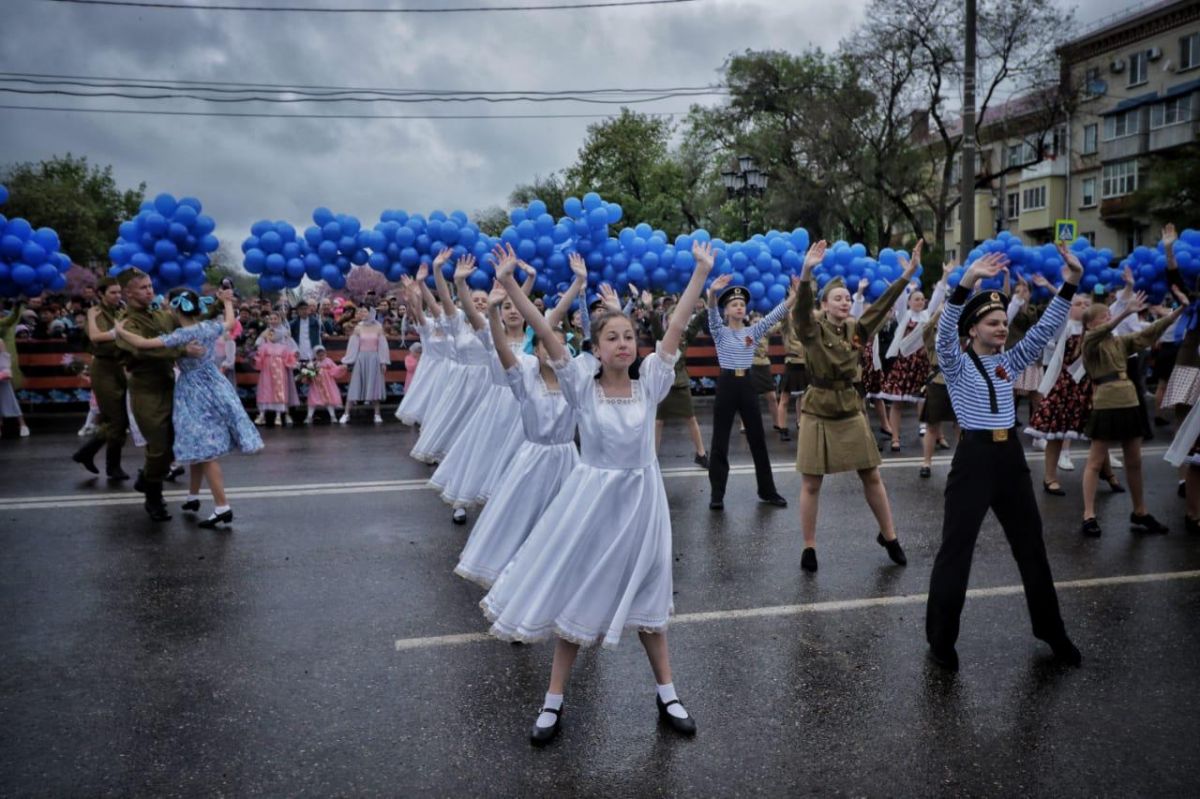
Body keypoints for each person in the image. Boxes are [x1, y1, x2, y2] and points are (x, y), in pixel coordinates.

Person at [481, 241, 713, 745]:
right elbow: (543, 331)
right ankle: (553, 701)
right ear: (597, 348)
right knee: (578, 598)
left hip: (643, 505)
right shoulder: (580, 387)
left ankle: (668, 691)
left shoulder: (650, 383)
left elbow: (674, 327)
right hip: (591, 506)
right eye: (612, 337)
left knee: (650, 598)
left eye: (629, 336)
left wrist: (700, 273)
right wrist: (512, 287)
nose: (624, 343)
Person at [925, 250, 1082, 672]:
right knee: (957, 549)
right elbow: (943, 334)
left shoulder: (1008, 362)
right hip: (974, 457)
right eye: (992, 323)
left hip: (1009, 457)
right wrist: (965, 283)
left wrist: (1070, 284)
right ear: (973, 328)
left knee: (1031, 546)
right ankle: (941, 640)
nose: (1001, 328)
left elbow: (1045, 329)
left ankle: (1052, 631)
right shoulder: (957, 364)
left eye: (1003, 323)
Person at [790, 240, 920, 573]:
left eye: (848, 298)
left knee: (872, 475)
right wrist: (806, 273)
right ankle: (808, 547)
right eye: (838, 298)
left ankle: (889, 536)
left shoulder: (856, 329)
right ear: (824, 304)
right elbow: (801, 310)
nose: (845, 302)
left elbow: (882, 305)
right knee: (811, 483)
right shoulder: (811, 330)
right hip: (818, 407)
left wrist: (906, 275)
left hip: (849, 405)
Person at [454, 276, 580, 587]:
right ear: (534, 351)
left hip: (568, 462)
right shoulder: (525, 381)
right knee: (523, 520)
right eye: (547, 347)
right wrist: (494, 309)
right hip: (533, 460)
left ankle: (558, 579)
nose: (554, 352)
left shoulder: (576, 386)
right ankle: (515, 578)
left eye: (562, 348)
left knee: (565, 524)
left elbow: (556, 322)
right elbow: (499, 345)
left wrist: (577, 284)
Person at [115, 287, 263, 527]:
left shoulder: (182, 335)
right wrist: (226, 301)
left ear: (176, 307)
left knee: (205, 450)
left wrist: (120, 330)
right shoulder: (207, 327)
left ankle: (222, 506)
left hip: (193, 390)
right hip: (215, 384)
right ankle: (193, 496)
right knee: (199, 444)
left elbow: (143, 343)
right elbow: (229, 321)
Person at [1078, 286, 1187, 537]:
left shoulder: (1118, 341)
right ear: (1092, 323)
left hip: (1129, 402)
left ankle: (1140, 511)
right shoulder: (1089, 342)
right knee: (1095, 461)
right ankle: (1088, 515)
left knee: (1135, 461)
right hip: (1106, 402)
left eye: (1108, 315)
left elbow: (1150, 333)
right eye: (1103, 316)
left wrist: (1179, 310)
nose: (1108, 319)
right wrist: (1124, 312)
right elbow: (1099, 333)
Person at [113, 268, 208, 520]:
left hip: (170, 385)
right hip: (146, 389)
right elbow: (142, 351)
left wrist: (221, 302)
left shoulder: (160, 315)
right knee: (158, 446)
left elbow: (187, 320)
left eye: (150, 286)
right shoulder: (126, 323)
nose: (150, 291)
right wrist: (180, 352)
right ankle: (153, 497)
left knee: (176, 444)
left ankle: (147, 477)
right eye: (143, 287)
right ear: (128, 292)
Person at [704, 273, 793, 511]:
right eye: (734, 304)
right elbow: (711, 314)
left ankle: (768, 490)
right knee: (719, 441)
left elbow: (776, 314)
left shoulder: (752, 332)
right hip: (726, 384)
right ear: (726, 311)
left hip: (747, 384)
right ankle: (717, 494)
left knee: (758, 439)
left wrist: (793, 297)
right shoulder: (719, 331)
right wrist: (712, 293)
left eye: (742, 304)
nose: (739, 307)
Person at [642, 289, 709, 467]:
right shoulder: (662, 336)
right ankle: (653, 457)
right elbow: (655, 325)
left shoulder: (686, 336)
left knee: (691, 418)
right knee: (658, 421)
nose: (678, 320)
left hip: (680, 382)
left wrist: (709, 305)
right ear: (668, 320)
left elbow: (697, 322)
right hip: (663, 383)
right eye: (673, 317)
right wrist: (649, 307)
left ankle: (701, 454)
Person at [72, 277, 130, 479]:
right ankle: (112, 466)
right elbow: (95, 338)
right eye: (112, 292)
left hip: (119, 367)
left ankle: (86, 453)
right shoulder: (95, 312)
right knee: (117, 419)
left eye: (119, 292)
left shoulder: (120, 310)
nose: (117, 296)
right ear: (101, 294)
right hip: (103, 367)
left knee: (116, 420)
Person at [340, 306, 391, 424]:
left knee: (374, 385)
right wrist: (348, 361)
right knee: (355, 384)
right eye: (360, 311)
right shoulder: (358, 327)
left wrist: (383, 361)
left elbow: (382, 346)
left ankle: (377, 414)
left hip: (374, 359)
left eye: (365, 311)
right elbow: (353, 346)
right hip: (361, 359)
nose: (362, 313)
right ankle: (346, 413)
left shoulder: (378, 327)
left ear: (371, 312)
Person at [254, 328, 299, 427]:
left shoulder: (284, 347)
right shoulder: (264, 346)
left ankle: (278, 415)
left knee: (279, 389)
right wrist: (257, 359)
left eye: (273, 334)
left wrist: (292, 363)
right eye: (269, 334)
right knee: (266, 388)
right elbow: (259, 356)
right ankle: (262, 414)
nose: (270, 336)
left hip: (279, 370)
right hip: (267, 370)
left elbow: (289, 358)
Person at [303, 345, 346, 424]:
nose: (321, 356)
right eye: (318, 355)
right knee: (313, 400)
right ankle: (309, 416)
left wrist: (340, 368)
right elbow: (309, 374)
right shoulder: (313, 363)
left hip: (327, 385)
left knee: (329, 400)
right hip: (316, 386)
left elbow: (334, 369)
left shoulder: (328, 361)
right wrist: (308, 374)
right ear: (315, 355)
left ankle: (332, 416)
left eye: (322, 354)